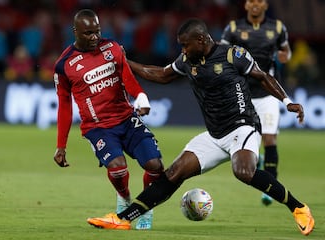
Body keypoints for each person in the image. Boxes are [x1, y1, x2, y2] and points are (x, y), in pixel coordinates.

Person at [86, 18, 315, 236]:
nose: (183, 51)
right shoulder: (187, 61)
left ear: (202, 40)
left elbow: (263, 77)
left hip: (243, 127)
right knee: (174, 173)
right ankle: (123, 218)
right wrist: (124, 63)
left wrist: (287, 101)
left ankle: (298, 208)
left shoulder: (232, 55)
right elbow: (162, 75)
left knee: (243, 171)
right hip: (215, 135)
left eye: (186, 45)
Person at [52, 9, 164, 230]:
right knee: (118, 167)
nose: (95, 37)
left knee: (155, 165)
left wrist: (141, 96)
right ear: (75, 32)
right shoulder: (64, 65)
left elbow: (128, 79)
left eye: (97, 31)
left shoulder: (112, 48)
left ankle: (146, 208)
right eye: (88, 33)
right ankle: (124, 198)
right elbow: (64, 106)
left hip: (126, 118)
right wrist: (60, 146)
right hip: (98, 128)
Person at [220, 0, 292, 205]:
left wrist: (284, 56)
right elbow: (220, 54)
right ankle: (256, 160)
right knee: (244, 137)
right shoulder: (234, 28)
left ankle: (270, 187)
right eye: (251, 1)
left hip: (268, 92)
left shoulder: (277, 28)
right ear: (245, 5)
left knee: (270, 139)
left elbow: (287, 50)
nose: (255, 5)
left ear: (265, 5)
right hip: (241, 93)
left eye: (259, 1)